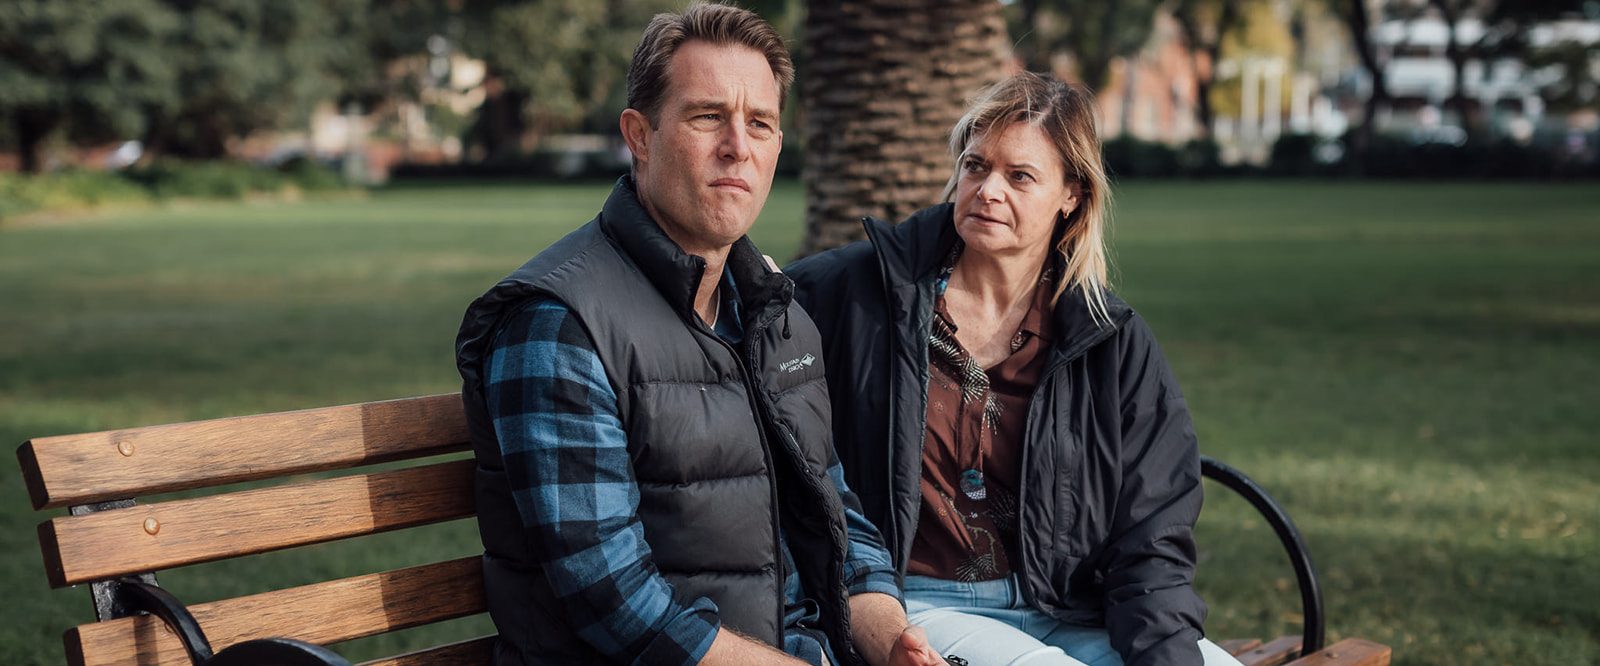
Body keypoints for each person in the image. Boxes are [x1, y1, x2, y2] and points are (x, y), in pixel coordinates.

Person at [454, 4, 945, 666]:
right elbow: (617, 605)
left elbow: (835, 518)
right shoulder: (560, 325)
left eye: (760, 124)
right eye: (707, 116)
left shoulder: (777, 315)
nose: (737, 146)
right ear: (640, 134)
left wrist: (895, 642)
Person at [786, 72, 1245, 666]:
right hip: (921, 608)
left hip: (1069, 609)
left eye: (1019, 176)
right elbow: (746, 317)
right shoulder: (861, 294)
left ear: (1072, 194)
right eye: (976, 166)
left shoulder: (1109, 340)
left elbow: (1151, 535)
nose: (987, 190)